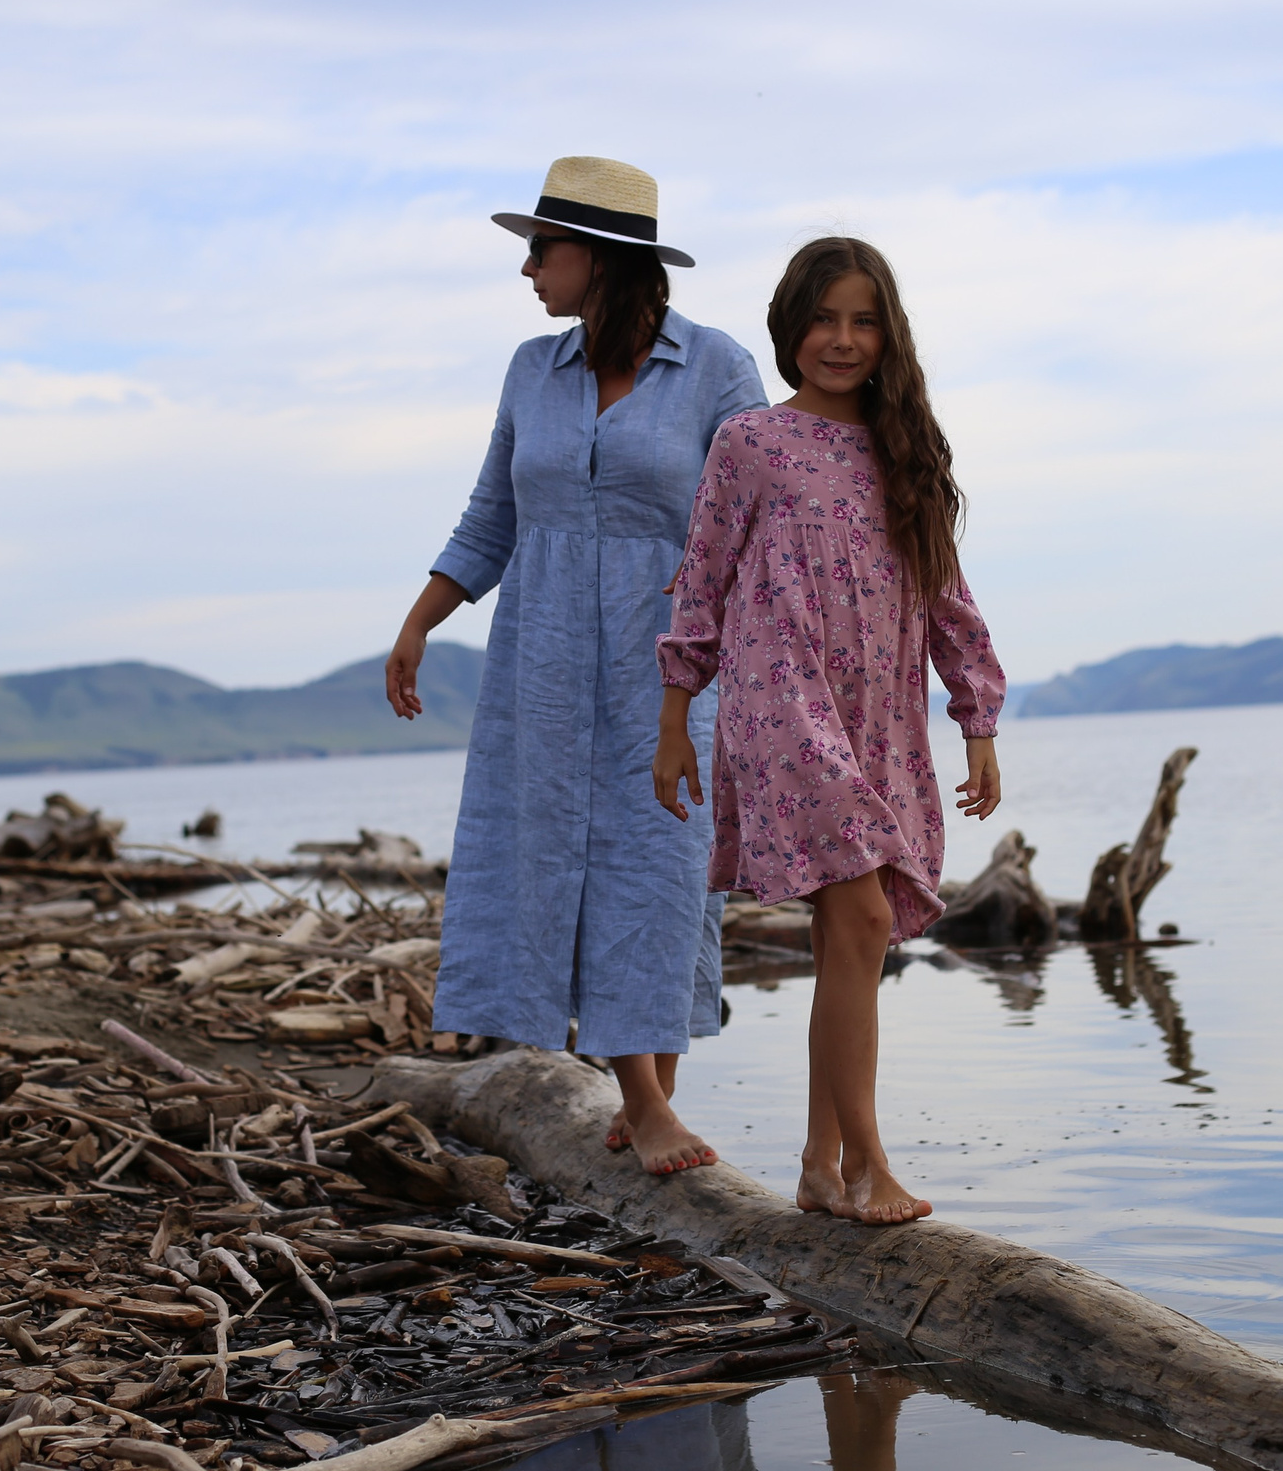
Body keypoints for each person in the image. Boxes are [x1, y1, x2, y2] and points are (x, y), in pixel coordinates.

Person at [386, 157, 769, 1175]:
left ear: (597, 258)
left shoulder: (719, 370)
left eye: (539, 250)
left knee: (657, 868)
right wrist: (420, 622)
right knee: (552, 857)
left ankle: (646, 1097)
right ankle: (641, 1103)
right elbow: (492, 517)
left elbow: (751, 531)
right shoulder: (530, 370)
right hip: (543, 658)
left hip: (669, 663)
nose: (526, 270)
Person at [654, 236, 1006, 1224]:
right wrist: (677, 715)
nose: (841, 340)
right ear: (789, 328)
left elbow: (945, 591)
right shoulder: (751, 443)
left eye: (862, 320)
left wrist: (975, 716)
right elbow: (704, 578)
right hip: (782, 701)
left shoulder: (908, 454)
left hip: (880, 714)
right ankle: (869, 1166)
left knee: (854, 940)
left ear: (887, 333)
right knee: (855, 919)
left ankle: (818, 1165)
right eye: (822, 319)